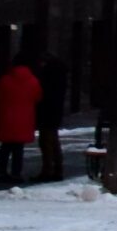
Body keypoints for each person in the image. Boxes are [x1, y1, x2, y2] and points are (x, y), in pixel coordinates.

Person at [0, 56, 42, 188]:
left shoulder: (5, 80)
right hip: (24, 119)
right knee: (18, 149)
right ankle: (16, 173)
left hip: (6, 118)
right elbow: (37, 97)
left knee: (5, 148)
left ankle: (1, 173)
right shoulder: (33, 81)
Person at [32, 49, 70, 182]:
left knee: (47, 142)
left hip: (47, 111)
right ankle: (56, 169)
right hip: (54, 111)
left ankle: (48, 170)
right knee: (53, 141)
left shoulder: (49, 76)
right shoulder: (60, 75)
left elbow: (43, 94)